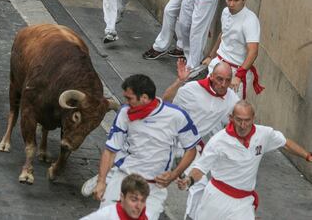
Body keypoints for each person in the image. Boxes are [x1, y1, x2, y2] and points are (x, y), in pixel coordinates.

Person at [177, 100, 312, 220]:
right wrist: (189, 180)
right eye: (239, 120)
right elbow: (201, 168)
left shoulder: (264, 134)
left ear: (253, 118)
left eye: (247, 120)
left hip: (243, 202)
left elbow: (285, 143)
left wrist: (307, 156)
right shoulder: (218, 141)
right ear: (231, 118)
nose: (243, 125)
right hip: (217, 198)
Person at [92, 74, 201, 220]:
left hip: (153, 188)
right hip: (123, 180)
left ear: (143, 97)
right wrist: (101, 181)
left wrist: (173, 175)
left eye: (129, 98)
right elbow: (110, 151)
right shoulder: (124, 113)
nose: (126, 102)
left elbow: (191, 149)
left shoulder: (176, 116)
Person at [162, 59, 239, 219]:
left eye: (227, 80)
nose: (224, 84)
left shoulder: (232, 99)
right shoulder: (191, 89)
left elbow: (241, 117)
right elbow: (166, 101)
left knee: (200, 185)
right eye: (220, 79)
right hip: (167, 142)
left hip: (192, 148)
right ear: (211, 77)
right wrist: (179, 81)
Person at [202, 0, 264, 99]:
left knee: (230, 111)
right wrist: (211, 56)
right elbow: (223, 35)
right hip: (217, 64)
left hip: (235, 72)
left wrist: (239, 75)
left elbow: (253, 51)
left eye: (236, 0)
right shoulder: (225, 12)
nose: (231, 4)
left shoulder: (250, 20)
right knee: (206, 100)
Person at [81, 174, 150, 220]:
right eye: (134, 200)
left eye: (143, 201)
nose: (139, 206)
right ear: (122, 197)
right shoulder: (105, 215)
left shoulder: (146, 217)